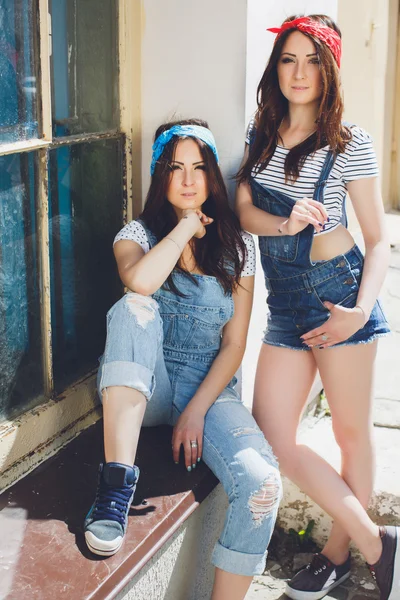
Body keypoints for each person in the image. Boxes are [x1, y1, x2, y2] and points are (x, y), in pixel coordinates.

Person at [236, 14, 399, 600]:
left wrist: (359, 309)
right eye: (288, 59)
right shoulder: (259, 134)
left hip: (341, 293)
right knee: (273, 437)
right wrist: (284, 220)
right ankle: (379, 544)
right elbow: (245, 211)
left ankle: (335, 554)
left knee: (353, 435)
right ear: (275, 67)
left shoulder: (348, 143)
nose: (298, 72)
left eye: (311, 60)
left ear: (328, 70)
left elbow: (379, 239)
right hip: (285, 305)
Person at [83, 119, 282, 600]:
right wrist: (185, 228)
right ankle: (114, 490)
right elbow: (142, 283)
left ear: (213, 176)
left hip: (208, 388)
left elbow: (234, 344)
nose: (190, 180)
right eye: (176, 168)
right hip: (145, 381)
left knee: (263, 485)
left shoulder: (239, 248)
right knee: (131, 308)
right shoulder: (137, 234)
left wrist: (196, 411)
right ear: (160, 175)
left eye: (200, 167)